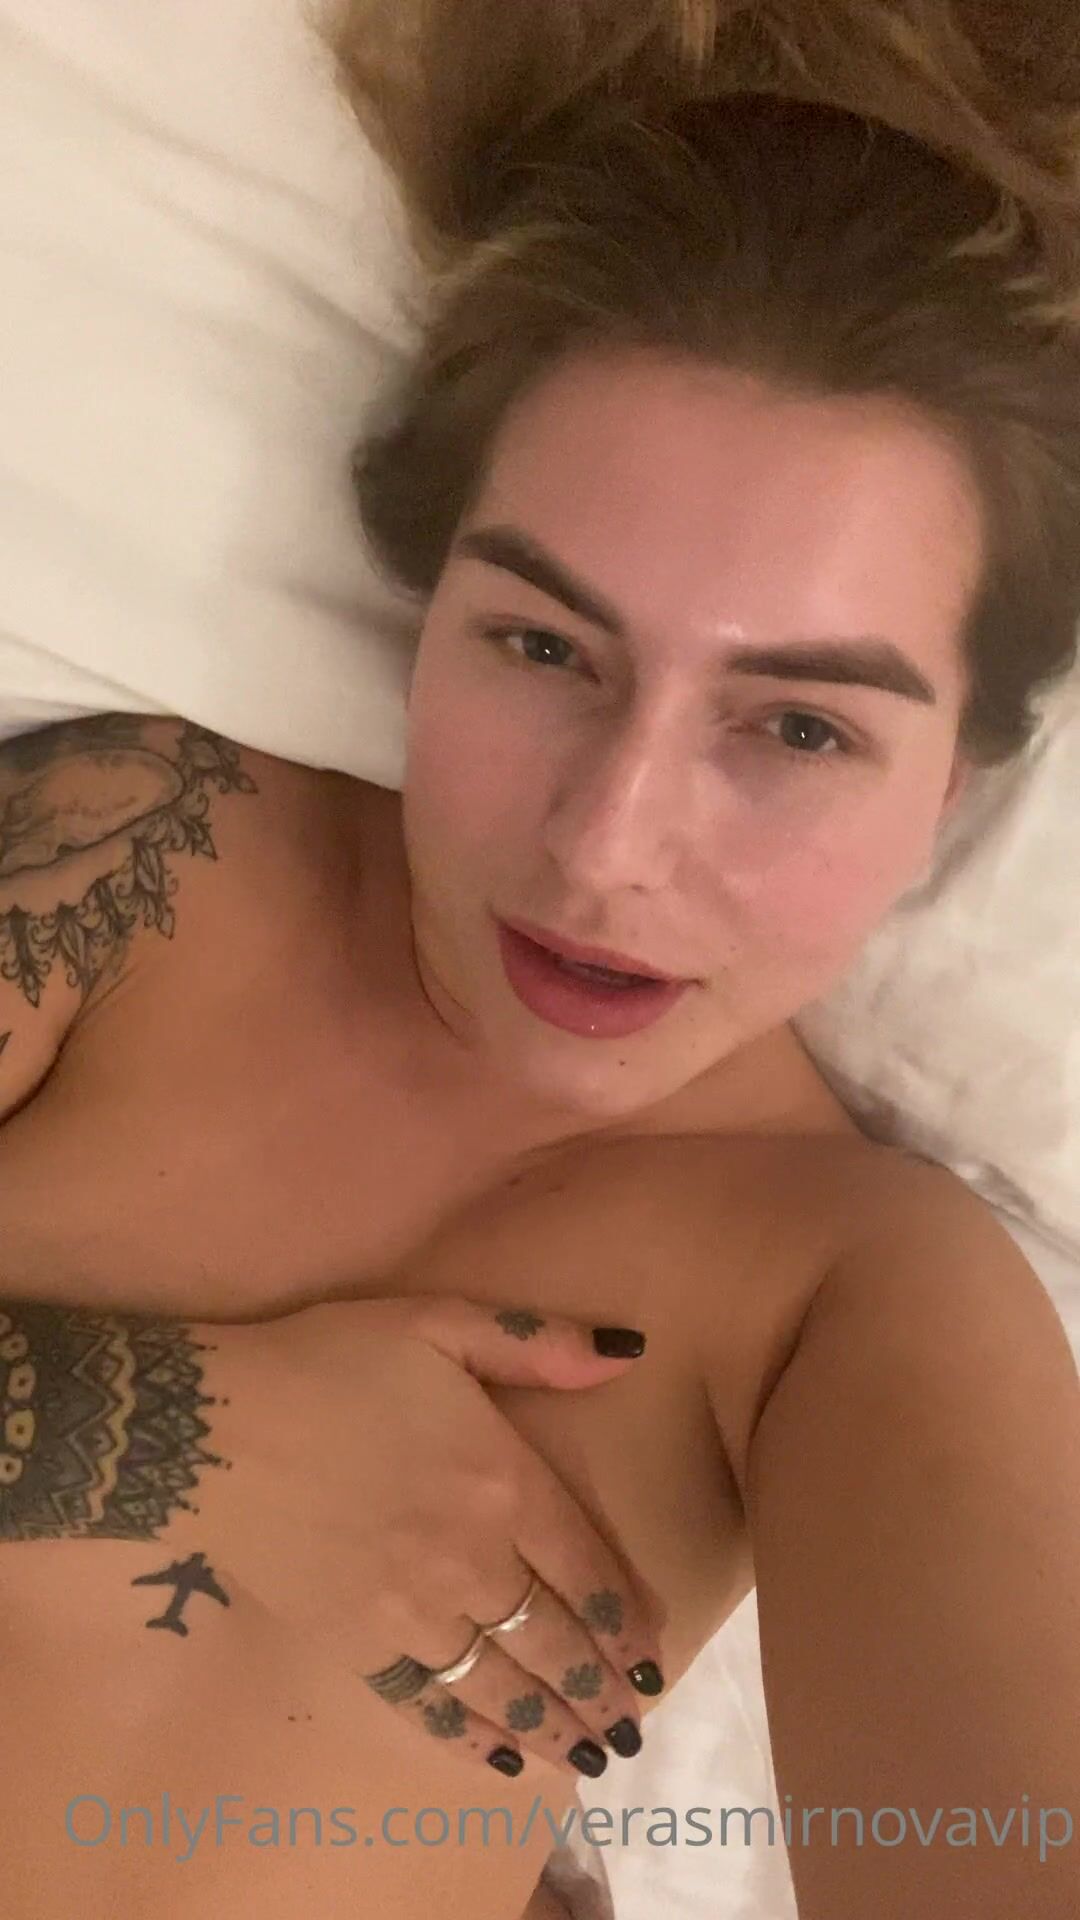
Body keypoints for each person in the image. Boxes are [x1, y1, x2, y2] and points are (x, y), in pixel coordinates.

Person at [2, 3, 1080, 1916]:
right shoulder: (136, 858)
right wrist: (185, 1433)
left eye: (800, 727)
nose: (604, 846)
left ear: (958, 784)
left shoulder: (851, 1294)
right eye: (542, 647)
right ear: (428, 608)